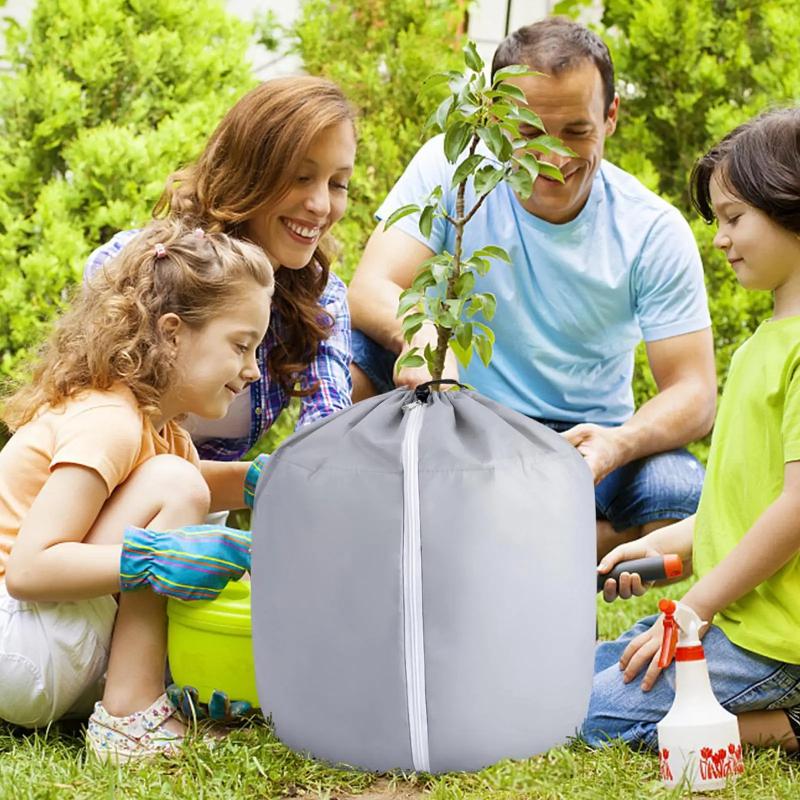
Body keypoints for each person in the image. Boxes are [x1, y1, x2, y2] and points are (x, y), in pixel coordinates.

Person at [347, 17, 717, 560]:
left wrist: (619, 442)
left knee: (680, 494)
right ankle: (363, 519)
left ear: (610, 117)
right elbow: (371, 286)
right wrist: (422, 332)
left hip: (581, 443)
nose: (552, 157)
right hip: (462, 413)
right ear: (497, 118)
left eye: (576, 131)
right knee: (353, 351)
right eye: (527, 133)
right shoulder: (454, 169)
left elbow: (694, 391)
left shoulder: (651, 230)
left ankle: (510, 550)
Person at [0, 220, 274, 761]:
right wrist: (152, 558)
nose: (252, 371)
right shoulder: (110, 419)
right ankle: (128, 715)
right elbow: (30, 570)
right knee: (177, 485)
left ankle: (142, 695)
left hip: (48, 648)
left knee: (183, 482)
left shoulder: (160, 426)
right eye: (241, 346)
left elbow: (200, 485)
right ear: (172, 332)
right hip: (18, 637)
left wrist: (259, 481)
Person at [582, 107, 800, 754]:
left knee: (596, 718)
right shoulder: (766, 341)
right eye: (717, 222)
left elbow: (794, 512)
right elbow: (746, 505)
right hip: (739, 621)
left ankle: (791, 725)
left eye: (735, 218)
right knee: (579, 675)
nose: (720, 239)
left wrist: (696, 609)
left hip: (775, 640)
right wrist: (664, 549)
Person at [85, 76, 357, 466]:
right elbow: (86, 420)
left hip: (194, 507)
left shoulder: (322, 299)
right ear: (251, 171)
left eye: (338, 184)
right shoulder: (136, 265)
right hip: (94, 487)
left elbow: (326, 425)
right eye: (301, 177)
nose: (320, 205)